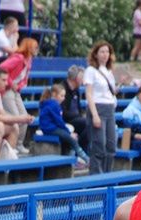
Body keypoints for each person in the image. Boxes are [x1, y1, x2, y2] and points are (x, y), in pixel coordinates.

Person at [84, 41, 119, 174]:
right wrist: (95, 115)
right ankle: (96, 175)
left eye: (107, 52)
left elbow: (110, 91)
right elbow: (89, 93)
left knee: (111, 145)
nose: (105, 55)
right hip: (97, 107)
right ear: (96, 54)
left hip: (109, 108)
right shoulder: (91, 70)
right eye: (102, 52)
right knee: (99, 145)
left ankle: (107, 173)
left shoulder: (109, 71)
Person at [0, 37, 38, 154]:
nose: (37, 49)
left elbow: (24, 78)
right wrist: (11, 83)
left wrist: (19, 86)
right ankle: (11, 145)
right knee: (16, 116)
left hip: (16, 91)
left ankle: (19, 144)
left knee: (24, 116)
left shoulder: (29, 60)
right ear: (29, 47)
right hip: (7, 90)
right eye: (35, 47)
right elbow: (2, 67)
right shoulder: (18, 57)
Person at [38, 83, 90, 167]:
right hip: (50, 128)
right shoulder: (53, 105)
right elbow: (59, 121)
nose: (64, 98)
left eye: (64, 96)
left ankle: (72, 161)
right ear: (54, 95)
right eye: (61, 96)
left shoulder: (52, 104)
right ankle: (85, 158)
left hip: (51, 127)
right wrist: (68, 132)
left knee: (70, 139)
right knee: (72, 139)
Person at [62, 64, 90, 154]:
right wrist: (78, 116)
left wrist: (80, 116)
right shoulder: (62, 89)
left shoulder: (76, 90)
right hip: (66, 120)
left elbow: (79, 108)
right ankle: (79, 150)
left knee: (90, 124)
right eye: (82, 77)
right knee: (87, 123)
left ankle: (82, 151)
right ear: (76, 78)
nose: (83, 80)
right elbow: (63, 112)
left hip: (76, 119)